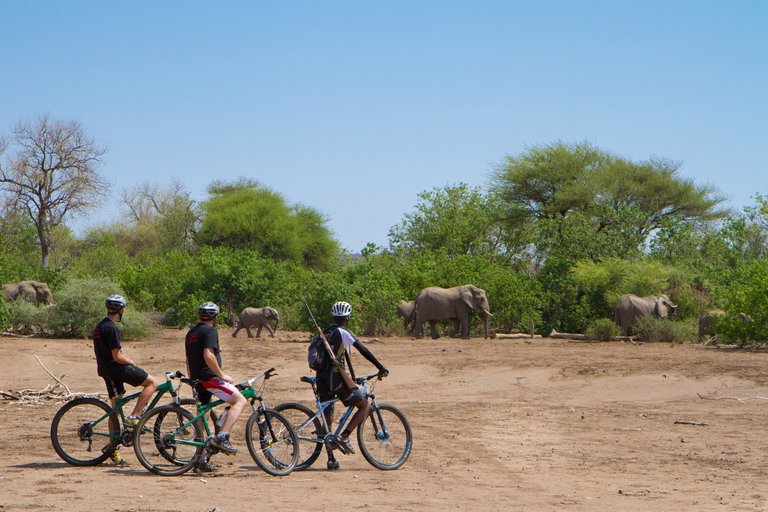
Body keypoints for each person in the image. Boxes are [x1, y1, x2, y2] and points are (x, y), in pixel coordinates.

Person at [316, 301, 389, 470]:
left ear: (334, 317)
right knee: (364, 404)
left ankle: (331, 459)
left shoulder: (326, 332)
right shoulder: (343, 332)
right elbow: (363, 350)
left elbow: (341, 358)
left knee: (327, 418)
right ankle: (345, 436)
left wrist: (353, 378)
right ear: (347, 317)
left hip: (321, 378)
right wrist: (380, 367)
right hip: (334, 378)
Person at [92, 294, 158, 466]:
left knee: (115, 410)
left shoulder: (100, 326)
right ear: (120, 310)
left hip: (105, 369)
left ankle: (113, 447)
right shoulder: (112, 328)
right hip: (114, 368)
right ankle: (135, 417)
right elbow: (117, 356)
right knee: (152, 383)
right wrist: (132, 362)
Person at [184, 301, 247, 473]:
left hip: (197, 380)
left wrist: (192, 381)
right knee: (239, 401)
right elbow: (208, 354)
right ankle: (222, 437)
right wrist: (222, 375)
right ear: (215, 317)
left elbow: (188, 360)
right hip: (209, 379)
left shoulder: (191, 333)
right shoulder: (210, 330)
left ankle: (201, 460)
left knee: (202, 420)